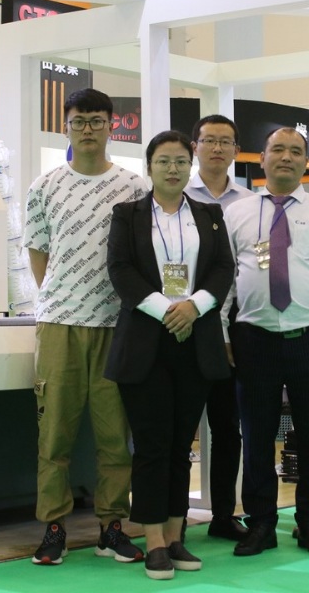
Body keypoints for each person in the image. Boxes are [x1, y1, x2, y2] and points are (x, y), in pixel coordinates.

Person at [24, 88, 146, 566]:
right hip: (59, 326)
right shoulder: (44, 187)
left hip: (117, 326)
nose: (88, 128)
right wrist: (61, 299)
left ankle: (112, 527)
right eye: (79, 121)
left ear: (112, 126)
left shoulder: (133, 187)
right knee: (54, 434)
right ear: (66, 127)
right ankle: (53, 527)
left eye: (97, 120)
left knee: (115, 436)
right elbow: (39, 254)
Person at [106, 130, 236, 580]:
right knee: (152, 445)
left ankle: (176, 535)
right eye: (163, 161)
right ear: (149, 167)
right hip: (146, 342)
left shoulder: (209, 214)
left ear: (190, 165)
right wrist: (166, 309)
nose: (173, 168)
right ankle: (154, 541)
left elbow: (223, 268)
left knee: (182, 446)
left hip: (194, 340)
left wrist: (194, 306)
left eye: (181, 160)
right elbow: (120, 270)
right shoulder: (127, 215)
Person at [223, 127, 309, 557]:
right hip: (253, 340)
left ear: (305, 162)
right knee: (257, 437)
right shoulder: (238, 213)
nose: (286, 157)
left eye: (295, 151)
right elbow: (226, 280)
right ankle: (261, 523)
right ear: (261, 158)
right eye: (277, 150)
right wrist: (224, 332)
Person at [184, 114, 255, 542]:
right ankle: (172, 517)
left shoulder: (249, 202)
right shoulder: (174, 194)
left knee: (228, 427)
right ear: (195, 146)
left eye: (225, 141)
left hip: (231, 326)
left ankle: (224, 514)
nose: (216, 148)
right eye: (208, 140)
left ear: (236, 150)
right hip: (181, 321)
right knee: (179, 428)